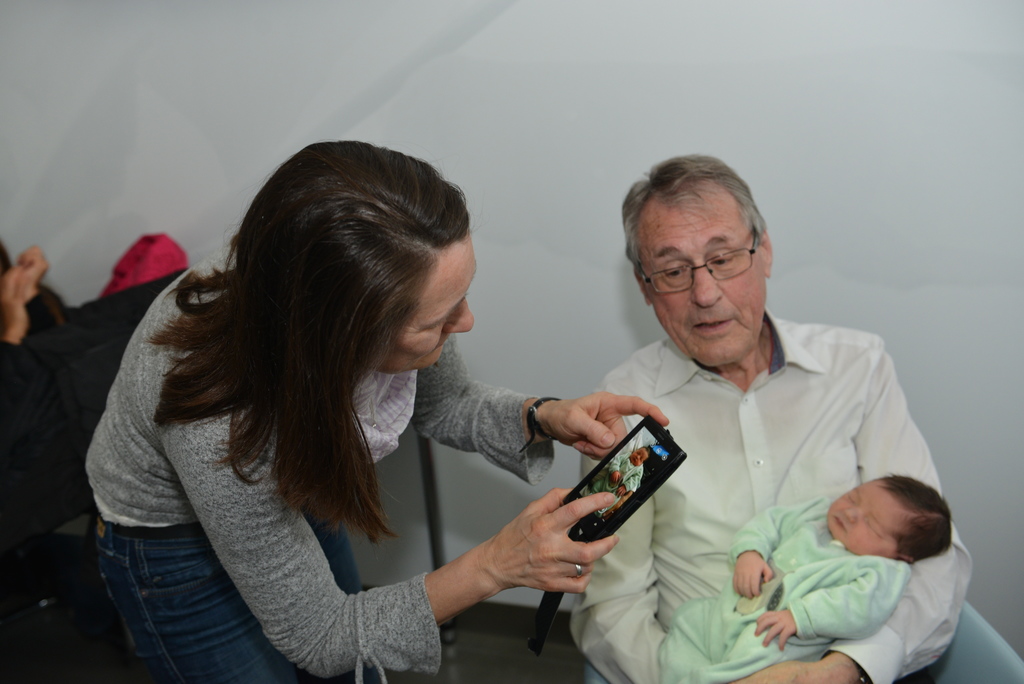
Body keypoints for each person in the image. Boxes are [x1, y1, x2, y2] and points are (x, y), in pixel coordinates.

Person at [85, 141, 667, 684]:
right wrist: (497, 564)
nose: (465, 323)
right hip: (175, 547)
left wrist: (542, 415)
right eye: (438, 320)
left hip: (282, 480)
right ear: (343, 336)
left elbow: (448, 401)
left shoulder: (368, 278)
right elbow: (324, 635)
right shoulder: (219, 425)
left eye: (463, 296)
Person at [570, 154, 971, 684]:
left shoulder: (857, 370)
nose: (705, 294)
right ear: (645, 288)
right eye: (672, 271)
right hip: (705, 663)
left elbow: (933, 555)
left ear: (765, 253)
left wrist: (847, 669)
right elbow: (612, 603)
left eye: (724, 258)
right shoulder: (627, 413)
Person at [659, 476, 952, 684]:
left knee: (754, 660)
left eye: (871, 524)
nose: (851, 513)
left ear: (900, 555)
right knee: (687, 618)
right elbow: (770, 522)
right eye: (854, 496)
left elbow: (861, 607)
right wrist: (750, 552)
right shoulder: (816, 514)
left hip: (778, 635)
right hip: (726, 610)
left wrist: (801, 616)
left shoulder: (882, 570)